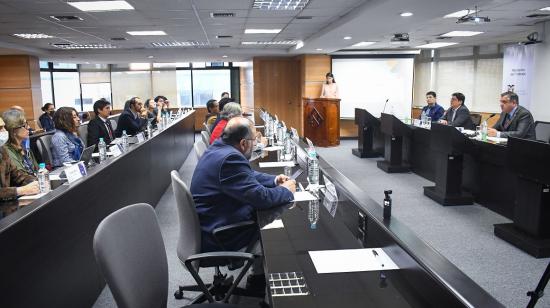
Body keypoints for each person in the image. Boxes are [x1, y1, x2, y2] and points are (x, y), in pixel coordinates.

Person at [190, 116, 296, 253]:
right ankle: (260, 271)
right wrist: (285, 191)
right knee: (283, 234)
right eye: (254, 140)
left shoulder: (219, 147)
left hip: (214, 220)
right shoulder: (230, 159)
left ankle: (257, 271)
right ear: (243, 143)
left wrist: (274, 180)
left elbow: (246, 175)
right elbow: (261, 198)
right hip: (222, 236)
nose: (256, 144)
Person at [0, 117, 39, 200]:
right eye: (0, 128)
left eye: (4, 127)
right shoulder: (7, 149)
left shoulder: (2, 151)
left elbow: (18, 176)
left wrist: (38, 181)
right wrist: (20, 191)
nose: (4, 131)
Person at [2, 109, 39, 175]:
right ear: (13, 130)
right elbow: (20, 176)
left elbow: (37, 169)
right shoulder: (7, 151)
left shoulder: (25, 147)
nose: (28, 128)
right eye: (24, 125)